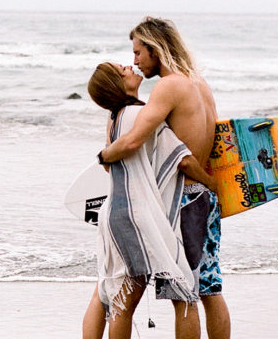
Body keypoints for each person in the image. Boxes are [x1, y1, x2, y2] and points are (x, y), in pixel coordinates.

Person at [99, 17, 231, 339]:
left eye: (139, 52)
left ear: (156, 49)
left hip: (182, 200)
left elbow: (133, 140)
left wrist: (103, 156)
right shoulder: (198, 83)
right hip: (204, 196)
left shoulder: (168, 87)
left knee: (182, 295)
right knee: (209, 289)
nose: (135, 61)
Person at [83, 62, 211, 339]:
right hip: (134, 216)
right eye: (122, 69)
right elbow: (183, 160)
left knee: (111, 294)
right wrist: (214, 185)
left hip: (114, 212)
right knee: (181, 290)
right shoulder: (140, 115)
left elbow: (110, 163)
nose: (130, 65)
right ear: (117, 84)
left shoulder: (115, 118)